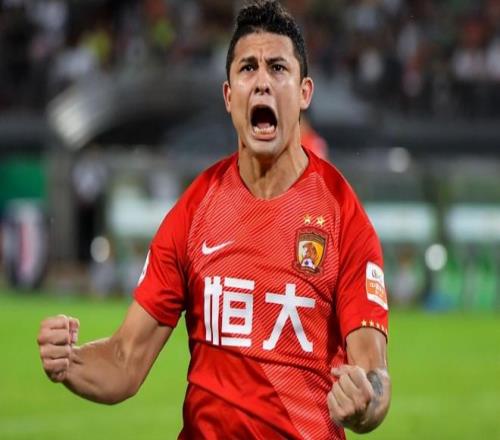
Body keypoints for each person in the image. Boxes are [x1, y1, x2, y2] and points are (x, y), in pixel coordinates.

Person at [37, 1, 391, 438]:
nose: (262, 82)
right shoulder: (195, 209)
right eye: (248, 68)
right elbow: (125, 362)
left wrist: (365, 400)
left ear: (304, 93)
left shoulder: (343, 216)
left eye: (278, 68)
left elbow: (374, 370)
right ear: (229, 96)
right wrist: (68, 362)